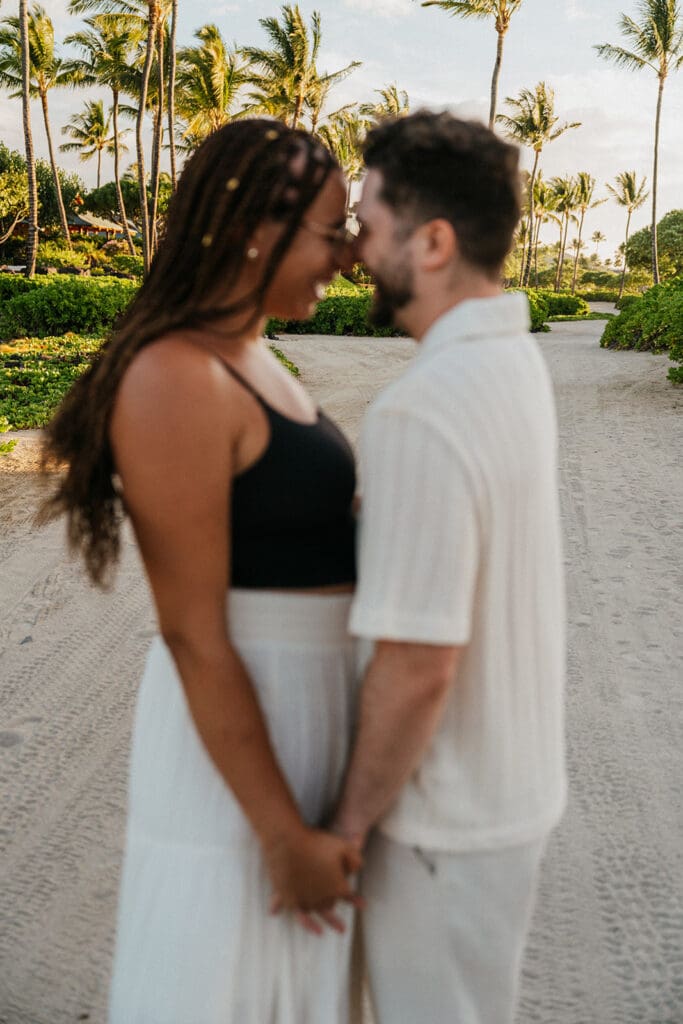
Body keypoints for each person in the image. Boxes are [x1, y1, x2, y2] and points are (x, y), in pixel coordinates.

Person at [39, 119, 363, 1024]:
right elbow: (191, 632)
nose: (346, 255)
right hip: (244, 738)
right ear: (258, 230)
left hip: (303, 715)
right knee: (221, 977)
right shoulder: (173, 375)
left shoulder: (252, 354)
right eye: (331, 230)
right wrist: (281, 832)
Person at [332, 110, 567, 1023]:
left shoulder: (420, 410)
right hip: (506, 795)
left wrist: (348, 827)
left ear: (431, 243)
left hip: (442, 823)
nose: (354, 250)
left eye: (367, 224)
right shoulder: (511, 360)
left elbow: (418, 663)